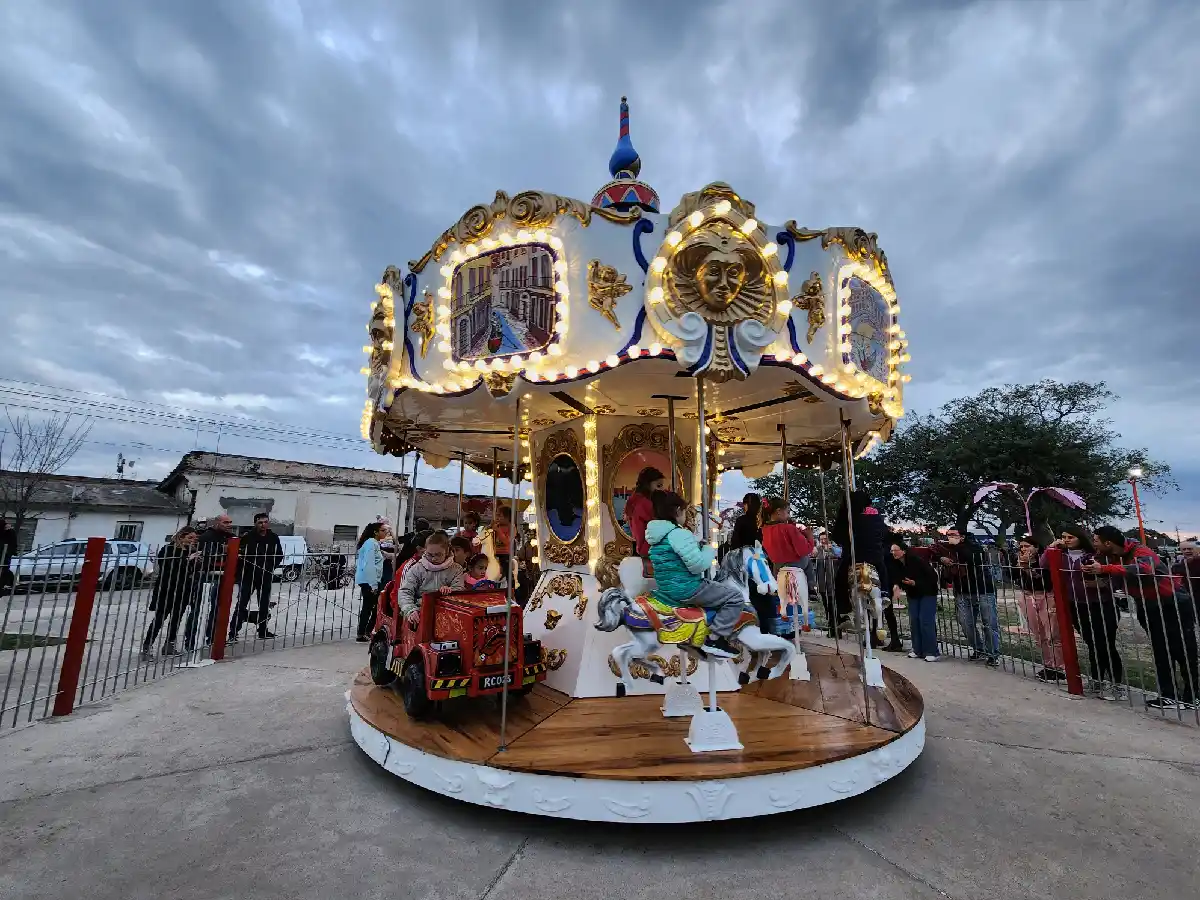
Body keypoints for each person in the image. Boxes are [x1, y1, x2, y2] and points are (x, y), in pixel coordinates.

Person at [1089, 525, 1198, 710]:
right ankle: (1168, 695)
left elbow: (1144, 568)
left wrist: (1106, 568)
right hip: (1147, 604)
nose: (1094, 544)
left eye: (1096, 541)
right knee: (1160, 650)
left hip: (1171, 602)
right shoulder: (1112, 556)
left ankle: (1194, 695)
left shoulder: (1141, 551)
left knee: (1183, 650)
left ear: (1108, 542)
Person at [645, 490, 744, 659]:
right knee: (735, 597)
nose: (686, 517)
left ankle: (691, 636)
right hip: (687, 588)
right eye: (684, 512)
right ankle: (714, 639)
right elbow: (698, 565)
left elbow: (675, 559)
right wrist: (707, 549)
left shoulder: (656, 538)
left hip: (666, 590)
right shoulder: (679, 534)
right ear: (677, 511)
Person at [1044, 525, 1124, 697]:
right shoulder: (1062, 555)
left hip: (1101, 604)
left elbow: (1116, 578)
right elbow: (1044, 564)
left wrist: (1103, 585)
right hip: (1077, 604)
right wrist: (1051, 547)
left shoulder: (1096, 556)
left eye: (1070, 537)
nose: (1066, 540)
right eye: (1064, 537)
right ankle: (1097, 679)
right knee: (1091, 643)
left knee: (1105, 644)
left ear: (1080, 538)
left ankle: (1117, 684)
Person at [833, 492, 901, 649]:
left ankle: (844, 610)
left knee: (840, 579)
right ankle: (884, 593)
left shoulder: (850, 518)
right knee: (882, 573)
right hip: (876, 558)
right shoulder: (876, 517)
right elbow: (884, 535)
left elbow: (839, 537)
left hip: (856, 557)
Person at [938, 527, 999, 666]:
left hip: (983, 589)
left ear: (962, 537)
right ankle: (979, 648)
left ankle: (993, 654)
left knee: (989, 623)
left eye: (953, 534)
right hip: (963, 590)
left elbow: (974, 559)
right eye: (948, 535)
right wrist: (941, 557)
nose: (950, 537)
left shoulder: (974, 547)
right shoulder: (947, 549)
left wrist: (957, 548)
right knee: (965, 622)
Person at [760, 496, 816, 639]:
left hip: (778, 567)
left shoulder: (765, 530)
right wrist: (809, 537)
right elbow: (804, 550)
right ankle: (811, 587)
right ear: (779, 512)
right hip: (796, 565)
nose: (788, 515)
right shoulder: (789, 528)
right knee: (808, 561)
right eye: (787, 511)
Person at [142, 527, 200, 659]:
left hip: (183, 590)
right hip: (167, 589)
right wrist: (187, 560)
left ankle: (169, 645)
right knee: (159, 618)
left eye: (194, 538)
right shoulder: (168, 549)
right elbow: (169, 569)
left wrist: (196, 562)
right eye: (189, 538)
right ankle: (147, 647)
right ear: (180, 537)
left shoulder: (191, 551)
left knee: (176, 619)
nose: (192, 541)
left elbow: (191, 572)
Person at [1014, 536, 1065, 683]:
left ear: (1036, 547)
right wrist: (1020, 567)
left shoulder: (1046, 560)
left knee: (1053, 634)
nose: (1023, 549)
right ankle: (1048, 665)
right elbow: (1012, 577)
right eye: (1021, 546)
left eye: (1027, 546)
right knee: (1038, 634)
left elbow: (1045, 580)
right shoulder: (1018, 560)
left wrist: (1029, 568)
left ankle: (1060, 667)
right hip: (1028, 595)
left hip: (1046, 596)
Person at [726, 493, 776, 635]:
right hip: (762, 561)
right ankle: (767, 630)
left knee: (749, 597)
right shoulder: (763, 521)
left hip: (746, 562)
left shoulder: (742, 520)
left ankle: (750, 630)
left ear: (746, 504)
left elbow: (735, 544)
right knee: (765, 595)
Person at [229, 513, 283, 643]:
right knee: (242, 603)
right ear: (255, 523)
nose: (263, 525)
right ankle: (233, 632)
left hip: (266, 575)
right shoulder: (248, 537)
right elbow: (240, 555)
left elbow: (279, 554)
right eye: (260, 522)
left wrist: (270, 567)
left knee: (264, 604)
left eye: (265, 522)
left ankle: (263, 630)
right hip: (249, 575)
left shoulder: (273, 537)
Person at [184, 514, 233, 652]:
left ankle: (212, 637)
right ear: (217, 523)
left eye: (230, 522)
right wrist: (221, 550)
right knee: (198, 609)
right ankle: (191, 641)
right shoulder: (207, 537)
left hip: (222, 576)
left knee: (218, 609)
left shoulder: (231, 537)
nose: (229, 525)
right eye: (225, 522)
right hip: (205, 576)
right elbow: (204, 556)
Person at [397, 531, 466, 627]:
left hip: (448, 612)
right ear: (425, 550)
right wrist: (411, 610)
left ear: (446, 552)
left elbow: (460, 590)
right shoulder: (417, 568)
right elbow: (405, 591)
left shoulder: (456, 569)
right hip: (421, 611)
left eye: (438, 555)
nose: (433, 558)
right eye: (430, 554)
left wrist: (451, 590)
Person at [889, 539, 940, 661]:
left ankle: (932, 651)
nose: (893, 553)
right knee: (915, 620)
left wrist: (915, 583)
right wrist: (896, 586)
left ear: (903, 551)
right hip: (913, 594)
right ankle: (917, 649)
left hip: (927, 592)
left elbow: (932, 577)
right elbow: (896, 577)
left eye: (895, 550)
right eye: (891, 551)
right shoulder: (895, 563)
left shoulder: (916, 561)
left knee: (926, 621)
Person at [623, 467, 665, 572]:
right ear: (647, 484)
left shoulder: (634, 498)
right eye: (658, 486)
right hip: (646, 546)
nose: (661, 490)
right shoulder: (644, 503)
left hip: (638, 544)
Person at [355, 522, 385, 642]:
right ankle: (363, 632)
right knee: (371, 607)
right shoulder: (371, 543)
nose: (385, 533)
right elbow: (369, 564)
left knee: (370, 607)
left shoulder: (373, 543)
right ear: (375, 532)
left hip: (369, 580)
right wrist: (373, 584)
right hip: (369, 580)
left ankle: (364, 632)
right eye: (382, 530)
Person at [492, 506, 513, 580]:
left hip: (505, 554)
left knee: (507, 572)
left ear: (507, 517)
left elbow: (507, 541)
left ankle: (510, 587)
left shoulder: (511, 527)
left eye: (499, 515)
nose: (497, 517)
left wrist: (498, 531)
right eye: (496, 515)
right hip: (494, 552)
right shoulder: (496, 526)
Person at [0, 517, 17, 594]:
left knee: (4, 570)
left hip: (4, 555)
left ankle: (4, 585)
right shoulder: (8, 531)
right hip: (5, 555)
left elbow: (12, 545)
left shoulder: (9, 531)